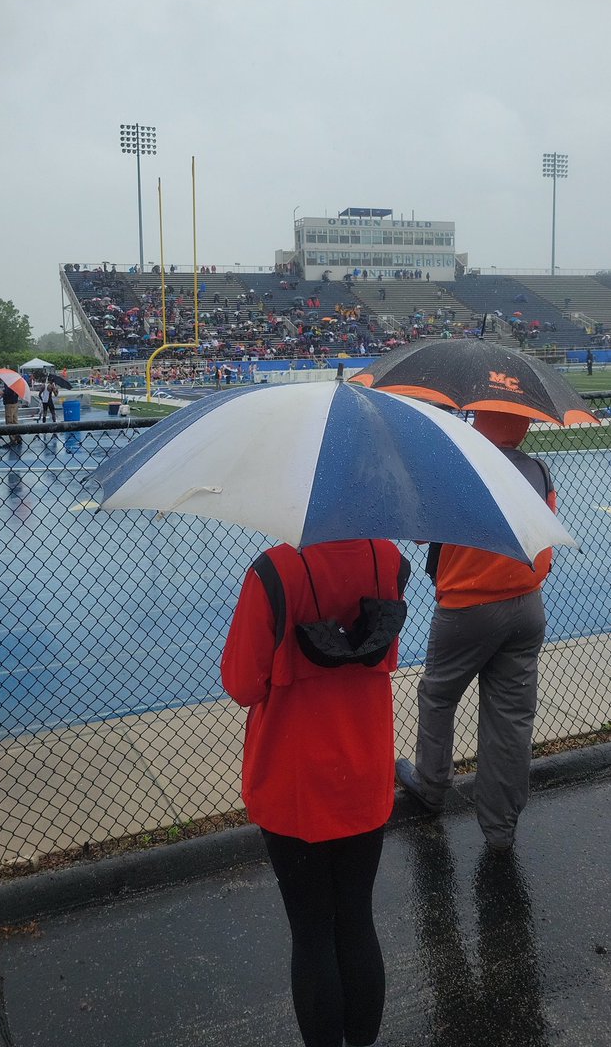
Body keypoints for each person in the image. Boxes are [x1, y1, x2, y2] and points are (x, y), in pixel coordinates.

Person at [222, 538, 410, 1047]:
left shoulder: (273, 571)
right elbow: (383, 653)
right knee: (355, 917)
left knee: (311, 931)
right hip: (364, 771)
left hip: (294, 781)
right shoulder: (387, 559)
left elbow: (242, 683)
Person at [395, 410, 557, 853]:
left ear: (479, 420)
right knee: (511, 719)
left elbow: (421, 536)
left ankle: (431, 787)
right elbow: (546, 533)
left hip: (467, 608)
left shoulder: (457, 464)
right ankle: (500, 829)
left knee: (439, 695)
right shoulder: (537, 469)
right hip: (527, 606)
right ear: (522, 425)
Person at [0, 380, 22, 447]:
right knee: (15, 421)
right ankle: (18, 438)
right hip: (15, 403)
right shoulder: (15, 383)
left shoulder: (8, 384)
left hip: (9, 404)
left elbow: (4, 394)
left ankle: (13, 440)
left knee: (9, 422)